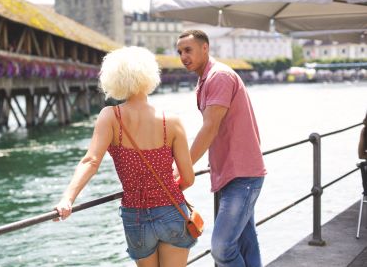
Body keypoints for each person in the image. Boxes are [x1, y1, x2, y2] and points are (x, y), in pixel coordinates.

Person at [54, 46, 197, 267]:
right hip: (171, 210)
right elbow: (188, 178)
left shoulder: (110, 117)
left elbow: (91, 161)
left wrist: (68, 199)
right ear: (150, 75)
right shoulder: (172, 121)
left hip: (136, 216)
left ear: (113, 79)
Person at [176, 30, 266, 267]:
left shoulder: (218, 77)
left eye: (188, 50)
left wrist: (183, 169)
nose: (183, 56)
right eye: (180, 52)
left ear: (205, 48)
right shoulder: (207, 78)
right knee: (246, 243)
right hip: (235, 173)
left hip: (241, 175)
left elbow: (209, 128)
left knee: (222, 248)